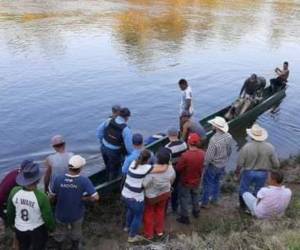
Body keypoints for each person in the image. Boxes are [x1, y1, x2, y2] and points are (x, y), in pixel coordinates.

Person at [49, 155, 99, 250]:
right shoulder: (84, 180)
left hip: (60, 214)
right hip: (76, 214)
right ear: (80, 168)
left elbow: (51, 196)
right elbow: (96, 197)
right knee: (76, 232)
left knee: (60, 232)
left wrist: (52, 203)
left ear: (69, 166)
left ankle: (59, 246)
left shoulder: (58, 179)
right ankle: (74, 246)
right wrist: (85, 199)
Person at [7, 160, 55, 250]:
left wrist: (11, 224)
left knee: (23, 246)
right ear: (38, 180)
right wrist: (52, 228)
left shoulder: (14, 191)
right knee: (39, 246)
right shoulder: (42, 197)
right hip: (37, 229)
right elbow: (48, 217)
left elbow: (10, 212)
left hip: (19, 228)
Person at [121, 149, 167, 243]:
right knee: (138, 216)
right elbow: (162, 169)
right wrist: (167, 162)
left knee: (130, 210)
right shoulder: (146, 168)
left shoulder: (133, 163)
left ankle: (127, 226)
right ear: (148, 160)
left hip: (125, 194)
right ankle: (132, 236)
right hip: (135, 198)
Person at [235, 124, 280, 210]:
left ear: (251, 136)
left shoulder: (246, 147)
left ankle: (242, 207)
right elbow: (276, 164)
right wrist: (270, 169)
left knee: (244, 189)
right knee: (258, 190)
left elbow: (240, 163)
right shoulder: (270, 147)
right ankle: (255, 206)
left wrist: (237, 172)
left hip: (248, 172)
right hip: (263, 173)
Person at [143, 148, 175, 240]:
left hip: (151, 197)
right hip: (165, 193)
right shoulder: (171, 168)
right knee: (160, 212)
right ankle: (159, 231)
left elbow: (145, 184)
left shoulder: (151, 171)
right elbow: (172, 180)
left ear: (157, 158)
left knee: (149, 213)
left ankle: (149, 234)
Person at [201, 117, 232, 208]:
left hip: (213, 165)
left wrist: (204, 165)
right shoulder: (229, 136)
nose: (212, 125)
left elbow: (208, 157)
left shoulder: (213, 140)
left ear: (216, 127)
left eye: (213, 125)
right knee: (217, 182)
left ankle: (205, 203)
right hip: (222, 164)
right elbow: (229, 150)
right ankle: (215, 199)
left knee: (208, 184)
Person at [96, 107, 133, 180]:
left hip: (103, 148)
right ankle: (113, 183)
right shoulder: (126, 129)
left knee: (108, 165)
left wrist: (103, 143)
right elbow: (129, 148)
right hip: (114, 152)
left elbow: (98, 132)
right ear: (127, 117)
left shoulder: (109, 121)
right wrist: (131, 156)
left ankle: (108, 176)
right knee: (115, 169)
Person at [176, 133, 205, 224]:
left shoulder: (185, 156)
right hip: (197, 179)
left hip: (186, 181)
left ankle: (185, 217)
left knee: (184, 198)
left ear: (188, 143)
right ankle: (196, 212)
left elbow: (178, 168)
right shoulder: (203, 153)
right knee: (195, 195)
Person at [165, 127, 187, 213]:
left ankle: (174, 207)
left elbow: (167, 161)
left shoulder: (167, 147)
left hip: (173, 171)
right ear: (177, 134)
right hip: (182, 168)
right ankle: (178, 204)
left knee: (173, 189)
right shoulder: (184, 144)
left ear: (168, 135)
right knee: (180, 186)